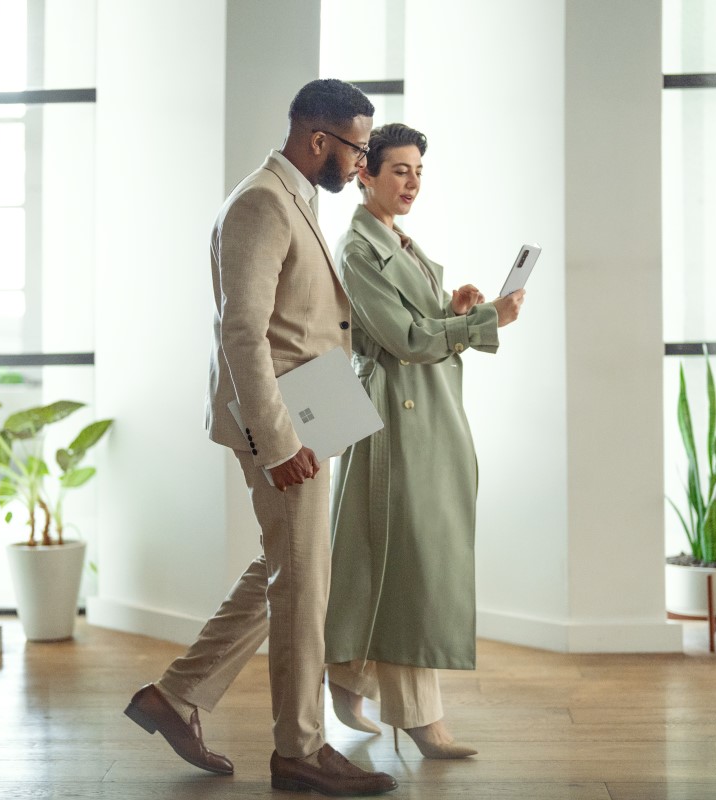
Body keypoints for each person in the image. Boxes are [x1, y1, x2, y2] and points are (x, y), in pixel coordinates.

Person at [123, 80, 397, 797]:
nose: (361, 163)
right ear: (318, 141)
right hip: (285, 423)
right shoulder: (261, 203)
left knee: (290, 569)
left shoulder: (295, 197)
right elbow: (241, 333)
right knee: (302, 584)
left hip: (313, 409)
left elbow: (303, 316)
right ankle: (299, 752)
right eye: (358, 149)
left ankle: (175, 696)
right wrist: (277, 443)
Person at [322, 123, 525, 759]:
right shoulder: (359, 247)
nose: (411, 183)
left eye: (418, 172)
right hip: (389, 413)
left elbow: (418, 321)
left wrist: (456, 303)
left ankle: (345, 673)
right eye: (399, 170)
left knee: (385, 557)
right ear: (366, 173)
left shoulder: (396, 240)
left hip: (420, 413)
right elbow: (403, 340)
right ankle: (418, 719)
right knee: (404, 558)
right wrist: (482, 318)